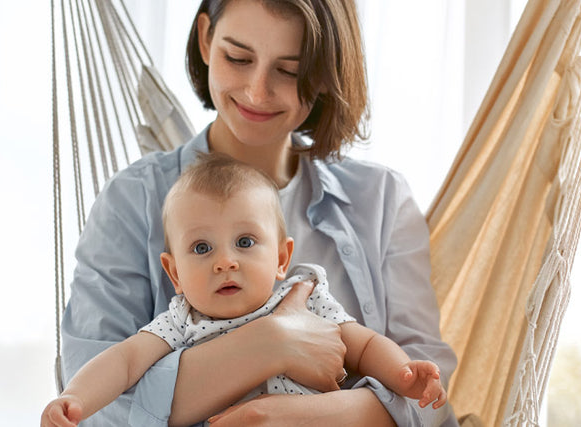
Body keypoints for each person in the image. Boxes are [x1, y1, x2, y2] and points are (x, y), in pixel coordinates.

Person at [60, 0, 459, 425]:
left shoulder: (381, 198)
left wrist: (299, 418)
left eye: (289, 70)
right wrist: (272, 341)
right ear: (205, 39)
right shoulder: (133, 201)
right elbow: (98, 410)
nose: (257, 91)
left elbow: (428, 395)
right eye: (237, 57)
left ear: (324, 74)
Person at [44, 155, 448, 427]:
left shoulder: (307, 298)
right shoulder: (181, 320)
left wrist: (402, 373)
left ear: (281, 257)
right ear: (175, 272)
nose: (225, 262)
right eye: (202, 248)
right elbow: (123, 362)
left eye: (245, 242)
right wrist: (75, 397)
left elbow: (364, 346)